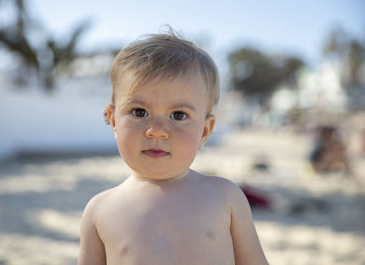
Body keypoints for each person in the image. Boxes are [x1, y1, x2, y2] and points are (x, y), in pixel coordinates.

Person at [78, 29, 268, 265]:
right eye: (140, 112)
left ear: (205, 131)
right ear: (114, 120)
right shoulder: (100, 211)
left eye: (178, 115)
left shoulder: (225, 197)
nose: (156, 130)